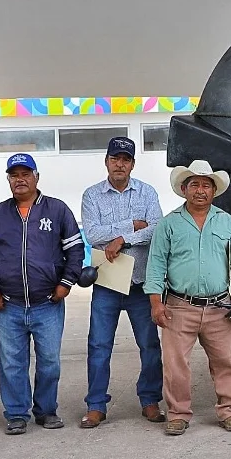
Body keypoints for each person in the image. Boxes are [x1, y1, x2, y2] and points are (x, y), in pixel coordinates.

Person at [0, 154, 84, 435]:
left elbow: (75, 250)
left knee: (50, 361)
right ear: (8, 179)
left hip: (48, 303)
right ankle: (16, 414)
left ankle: (46, 411)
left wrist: (66, 283)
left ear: (36, 177)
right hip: (8, 305)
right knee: (12, 363)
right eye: (14, 175)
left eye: (25, 174)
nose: (19, 179)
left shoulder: (57, 211)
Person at [145, 160, 231, 436]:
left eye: (206, 185)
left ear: (214, 191)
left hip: (219, 307)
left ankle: (229, 411)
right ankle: (178, 413)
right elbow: (156, 265)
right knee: (176, 364)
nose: (200, 190)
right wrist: (156, 303)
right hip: (179, 306)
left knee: (225, 361)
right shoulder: (169, 224)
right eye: (195, 185)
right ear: (184, 189)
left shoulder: (227, 222)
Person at [79, 136, 165, 429]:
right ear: (106, 161)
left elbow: (156, 229)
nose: (120, 164)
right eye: (115, 158)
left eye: (125, 159)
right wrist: (131, 225)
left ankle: (150, 400)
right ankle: (96, 405)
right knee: (99, 345)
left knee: (149, 345)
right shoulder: (92, 195)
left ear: (132, 164)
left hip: (141, 283)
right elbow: (92, 234)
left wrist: (121, 238)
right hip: (107, 283)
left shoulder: (147, 193)